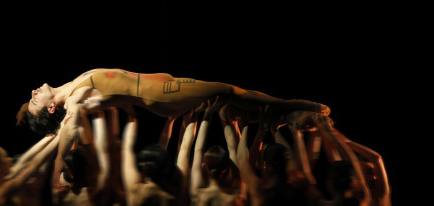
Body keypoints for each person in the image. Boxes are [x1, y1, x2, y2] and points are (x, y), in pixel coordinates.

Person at [18, 68, 330, 136]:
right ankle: (296, 106)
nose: (33, 93)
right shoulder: (74, 101)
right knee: (229, 91)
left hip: (157, 85)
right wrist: (58, 144)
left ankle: (284, 119)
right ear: (51, 108)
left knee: (228, 104)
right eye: (34, 101)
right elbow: (71, 123)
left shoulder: (70, 85)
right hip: (158, 94)